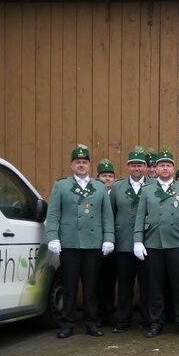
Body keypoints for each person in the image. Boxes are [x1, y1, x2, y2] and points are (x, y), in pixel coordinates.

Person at [45, 144, 115, 339]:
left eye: (84, 162)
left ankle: (91, 323)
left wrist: (109, 238)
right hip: (69, 242)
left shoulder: (99, 186)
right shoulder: (61, 186)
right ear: (71, 165)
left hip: (93, 243)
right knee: (69, 286)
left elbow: (107, 216)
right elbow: (53, 214)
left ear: (90, 165)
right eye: (78, 162)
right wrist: (53, 237)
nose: (81, 165)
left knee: (91, 287)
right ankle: (67, 324)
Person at [132, 146, 179, 338]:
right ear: (157, 168)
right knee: (155, 286)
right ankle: (155, 322)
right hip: (153, 243)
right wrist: (138, 241)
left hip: (177, 243)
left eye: (168, 165)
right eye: (161, 165)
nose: (165, 169)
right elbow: (140, 217)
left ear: (173, 168)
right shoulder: (147, 190)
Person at [108, 146, 151, 333]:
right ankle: (123, 319)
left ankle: (148, 319)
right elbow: (110, 214)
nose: (136, 168)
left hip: (147, 242)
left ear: (145, 167)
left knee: (147, 283)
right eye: (133, 165)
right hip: (124, 242)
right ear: (128, 166)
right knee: (124, 284)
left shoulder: (153, 185)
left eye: (140, 165)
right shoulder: (117, 187)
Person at [95, 158, 117, 326]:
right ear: (98, 177)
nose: (107, 179)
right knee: (97, 280)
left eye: (110, 176)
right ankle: (97, 314)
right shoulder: (94, 191)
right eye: (104, 175)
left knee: (110, 280)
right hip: (96, 242)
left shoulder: (117, 193)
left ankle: (109, 313)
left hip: (114, 242)